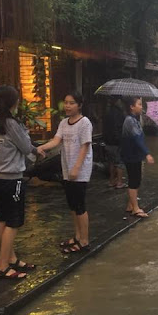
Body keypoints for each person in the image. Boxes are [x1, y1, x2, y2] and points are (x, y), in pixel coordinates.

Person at [0, 85, 45, 279]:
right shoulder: (11, 123)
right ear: (15, 102)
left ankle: (10, 258)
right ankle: (2, 266)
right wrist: (36, 149)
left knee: (4, 218)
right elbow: (25, 146)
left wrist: (35, 149)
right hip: (11, 178)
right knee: (13, 221)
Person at [38, 92, 93, 253]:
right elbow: (56, 141)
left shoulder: (85, 123)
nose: (67, 106)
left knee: (80, 205)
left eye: (72, 103)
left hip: (79, 170)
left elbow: (85, 146)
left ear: (80, 105)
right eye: (66, 102)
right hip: (67, 168)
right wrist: (41, 147)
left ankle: (84, 241)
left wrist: (76, 167)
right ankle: (76, 236)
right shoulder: (63, 123)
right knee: (72, 205)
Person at [121, 97, 154, 218]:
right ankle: (135, 208)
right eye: (139, 104)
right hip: (131, 156)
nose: (141, 107)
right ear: (132, 106)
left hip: (134, 155)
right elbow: (137, 138)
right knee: (134, 181)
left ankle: (131, 205)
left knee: (136, 180)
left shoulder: (134, 120)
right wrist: (147, 153)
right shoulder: (130, 120)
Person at [103, 97, 125, 188]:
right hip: (117, 142)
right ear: (117, 101)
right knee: (119, 162)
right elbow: (119, 128)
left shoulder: (107, 112)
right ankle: (119, 182)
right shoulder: (119, 113)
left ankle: (111, 180)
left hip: (108, 141)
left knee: (111, 162)